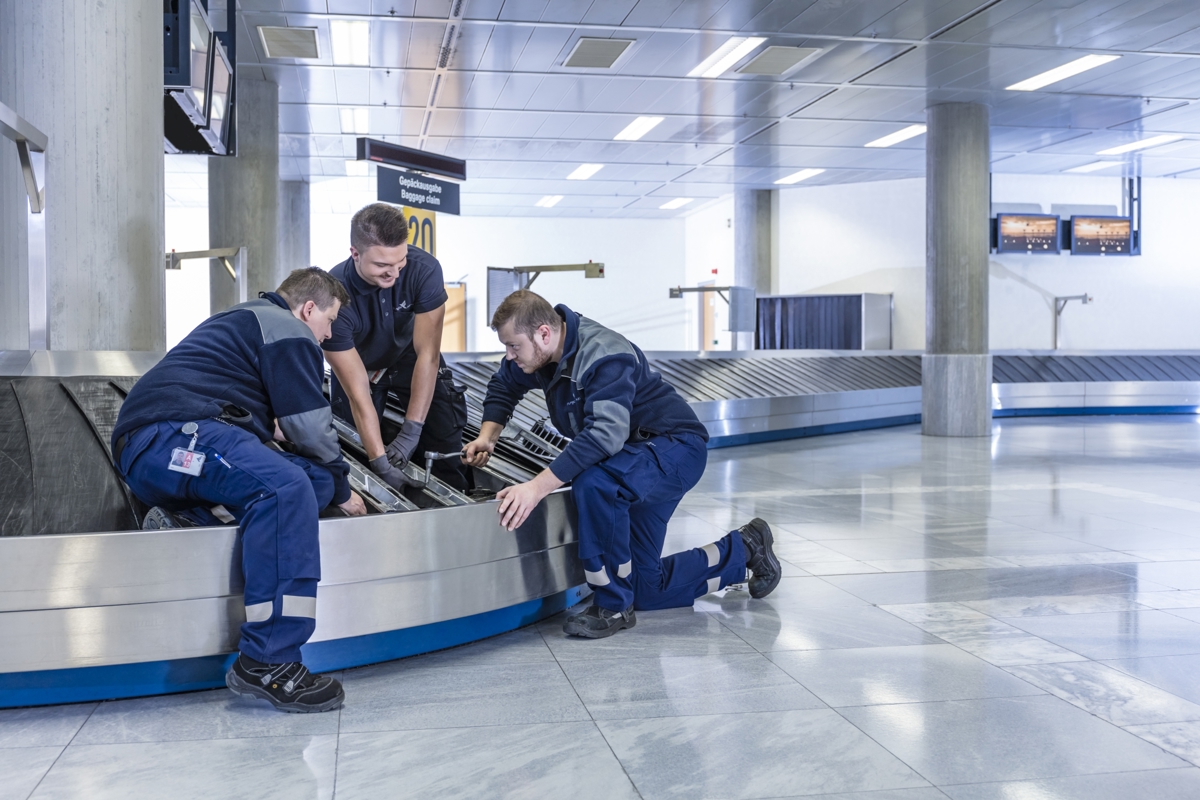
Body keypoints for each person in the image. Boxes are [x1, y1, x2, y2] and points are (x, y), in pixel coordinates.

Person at [111, 268, 365, 713]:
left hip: (167, 449)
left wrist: (325, 479)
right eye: (329, 321)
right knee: (287, 490)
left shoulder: (247, 319)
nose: (327, 336)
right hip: (174, 435)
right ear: (309, 309)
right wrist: (344, 489)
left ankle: (190, 514)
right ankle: (270, 661)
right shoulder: (288, 329)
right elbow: (308, 425)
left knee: (309, 482)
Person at [463, 290, 781, 638]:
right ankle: (746, 547)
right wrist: (487, 436)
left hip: (674, 449)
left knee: (597, 484)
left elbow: (605, 436)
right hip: (635, 461)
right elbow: (504, 384)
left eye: (513, 347)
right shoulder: (540, 355)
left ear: (543, 333)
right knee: (645, 589)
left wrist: (535, 489)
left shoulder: (603, 355)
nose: (509, 356)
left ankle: (611, 606)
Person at [323, 203, 470, 493]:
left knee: (443, 438)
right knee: (354, 446)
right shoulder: (333, 295)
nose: (394, 274)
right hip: (361, 366)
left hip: (412, 358)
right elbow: (356, 392)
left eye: (399, 261)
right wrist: (379, 461)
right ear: (355, 253)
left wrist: (411, 432)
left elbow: (428, 356)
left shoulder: (424, 270)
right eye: (381, 265)